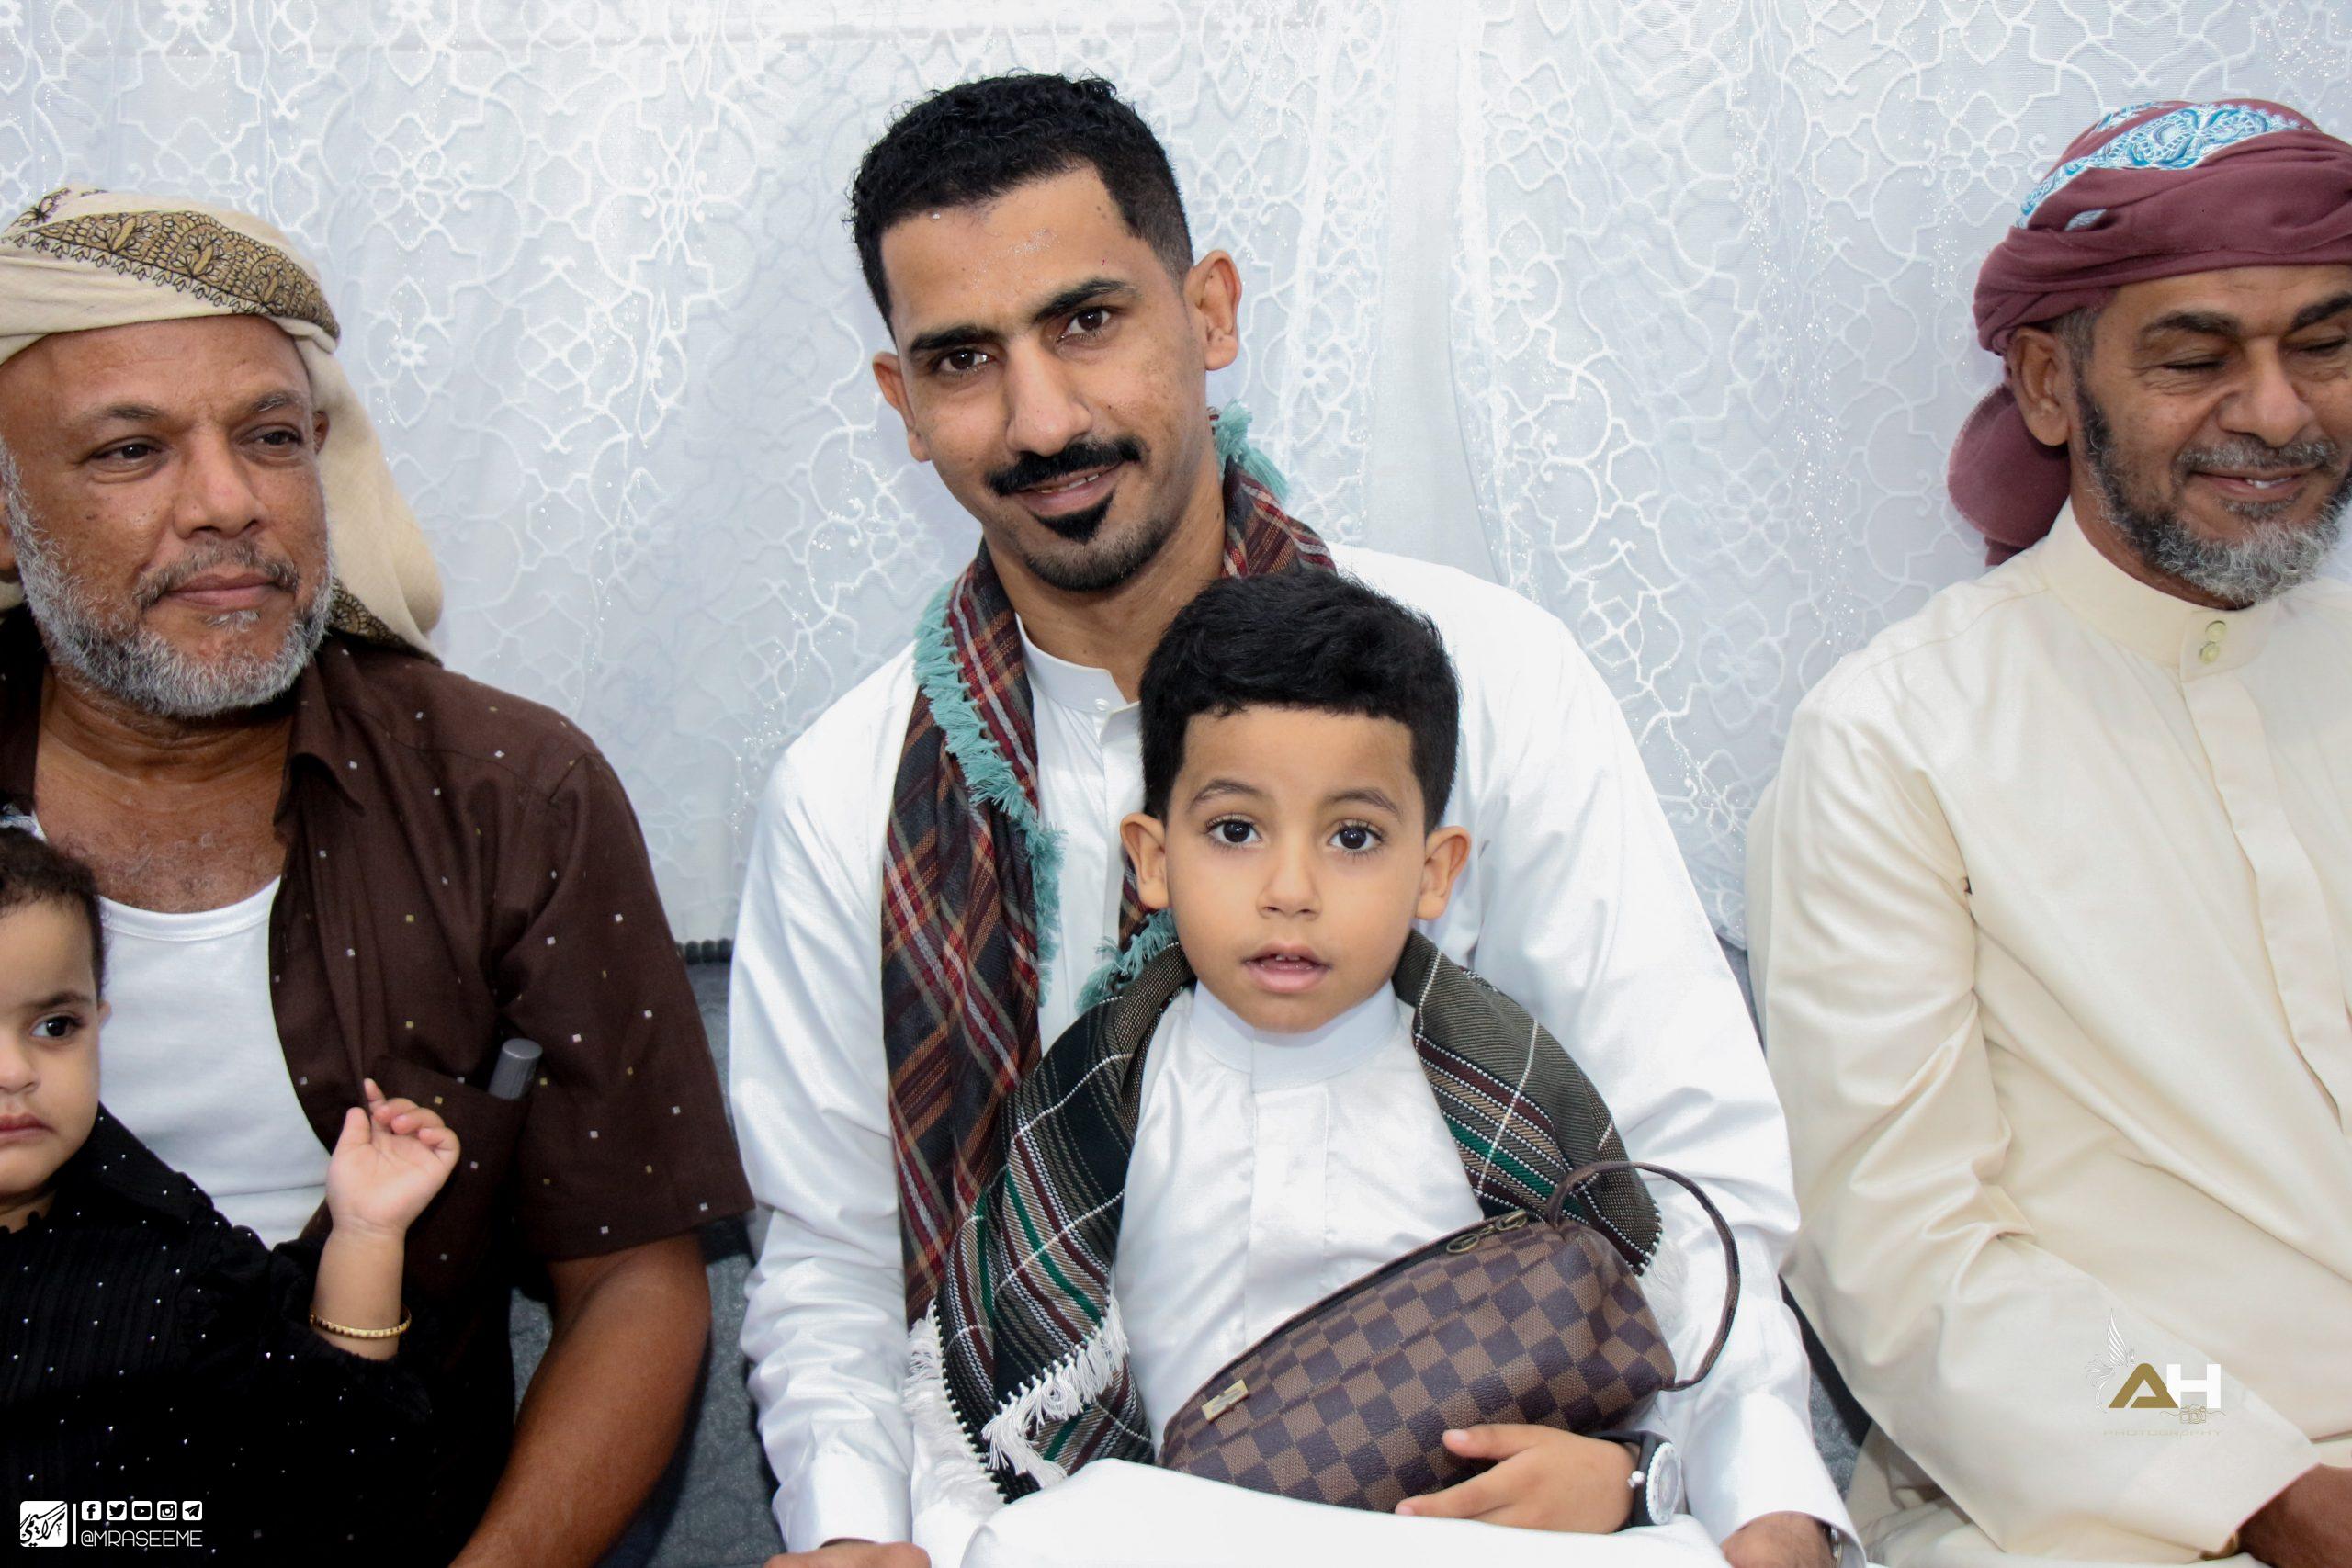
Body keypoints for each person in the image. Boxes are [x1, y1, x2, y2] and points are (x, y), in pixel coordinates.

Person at [731, 71, 1851, 1568]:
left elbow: (1687, 1163)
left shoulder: (1486, 679)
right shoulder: (848, 795)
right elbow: (831, 1269)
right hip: (1035, 1522)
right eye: (964, 358)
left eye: (1087, 320)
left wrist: (1743, 1494)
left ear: (1210, 312)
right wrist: (850, 1530)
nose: (1042, 416)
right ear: (905, 407)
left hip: (1475, 1506)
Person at [0, 186, 752, 1564]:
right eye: (131, 450)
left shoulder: (509, 794)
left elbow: (633, 1282)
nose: (228, 502)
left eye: (271, 437)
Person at [1747, 98, 2352, 1568]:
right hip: (2131, 1496)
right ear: (2046, 382)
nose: (2278, 413)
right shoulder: (1898, 738)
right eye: (2195, 357)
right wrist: (2261, 1475)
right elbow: (1909, 1264)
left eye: (2326, 345)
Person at [908, 570, 1745, 1568]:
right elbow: (975, 1437)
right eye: (1235, 831)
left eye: (1353, 837)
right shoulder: (1097, 1110)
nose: (1290, 889)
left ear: (1434, 871)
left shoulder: (1505, 1105)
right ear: (1153, 858)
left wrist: (1626, 1481)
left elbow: (1671, 1363)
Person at [1, 824, 453, 1559]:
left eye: (55, 1026)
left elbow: (335, 1470)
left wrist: (367, 1235)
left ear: (98, 1025)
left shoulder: (175, 1265)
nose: (15, 1069)